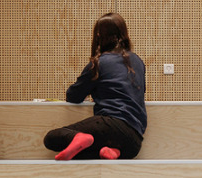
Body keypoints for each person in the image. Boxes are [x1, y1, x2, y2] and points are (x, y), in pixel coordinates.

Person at [45, 13, 147, 161]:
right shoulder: (137, 61)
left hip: (110, 124)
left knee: (51, 138)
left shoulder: (99, 63)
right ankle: (113, 151)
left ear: (99, 37)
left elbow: (73, 96)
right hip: (134, 142)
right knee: (79, 154)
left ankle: (80, 137)